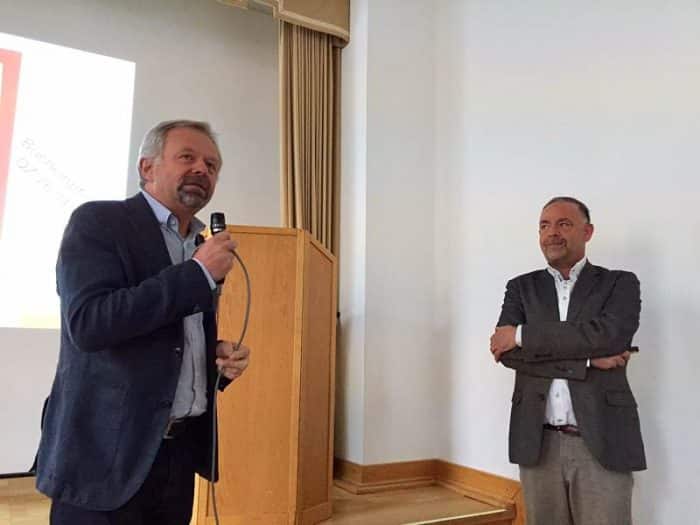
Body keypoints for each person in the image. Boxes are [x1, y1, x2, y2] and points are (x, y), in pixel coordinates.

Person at [35, 119, 250, 525]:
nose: (203, 169)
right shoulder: (99, 222)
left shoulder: (198, 247)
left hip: (177, 457)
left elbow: (166, 342)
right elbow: (89, 324)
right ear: (147, 168)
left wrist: (215, 361)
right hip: (105, 458)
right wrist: (197, 275)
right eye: (187, 157)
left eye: (212, 164)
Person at [490, 196, 646, 525]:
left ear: (587, 232)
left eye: (563, 224)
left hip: (603, 438)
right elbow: (507, 355)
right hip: (537, 440)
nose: (552, 233)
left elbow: (608, 336)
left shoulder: (620, 283)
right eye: (544, 225)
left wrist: (522, 335)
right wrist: (586, 362)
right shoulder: (520, 288)